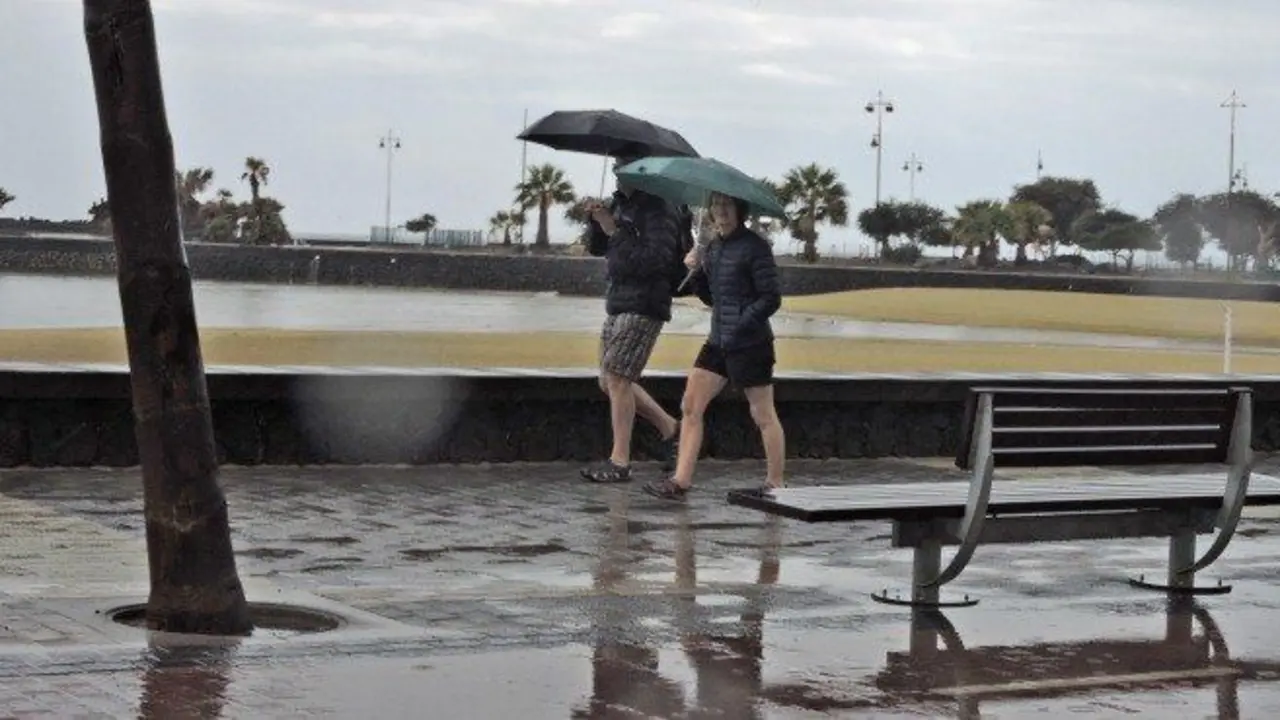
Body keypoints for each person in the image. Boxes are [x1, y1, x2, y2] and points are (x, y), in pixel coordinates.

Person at [643, 191, 784, 501]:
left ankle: (775, 484)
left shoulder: (756, 247)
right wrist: (696, 270)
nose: (721, 210)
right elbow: (711, 298)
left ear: (740, 209)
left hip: (751, 343)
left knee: (763, 414)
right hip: (717, 341)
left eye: (727, 205)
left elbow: (771, 298)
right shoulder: (714, 248)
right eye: (717, 205)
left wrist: (742, 323)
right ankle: (680, 481)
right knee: (690, 406)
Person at [579, 161, 683, 484]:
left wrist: (616, 232)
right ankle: (670, 428)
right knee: (608, 381)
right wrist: (597, 223)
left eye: (625, 167)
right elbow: (600, 248)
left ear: (643, 171)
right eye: (616, 166)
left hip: (645, 303)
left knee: (618, 378)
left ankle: (620, 461)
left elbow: (657, 260)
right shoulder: (621, 204)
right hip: (619, 301)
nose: (618, 172)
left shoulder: (659, 209)